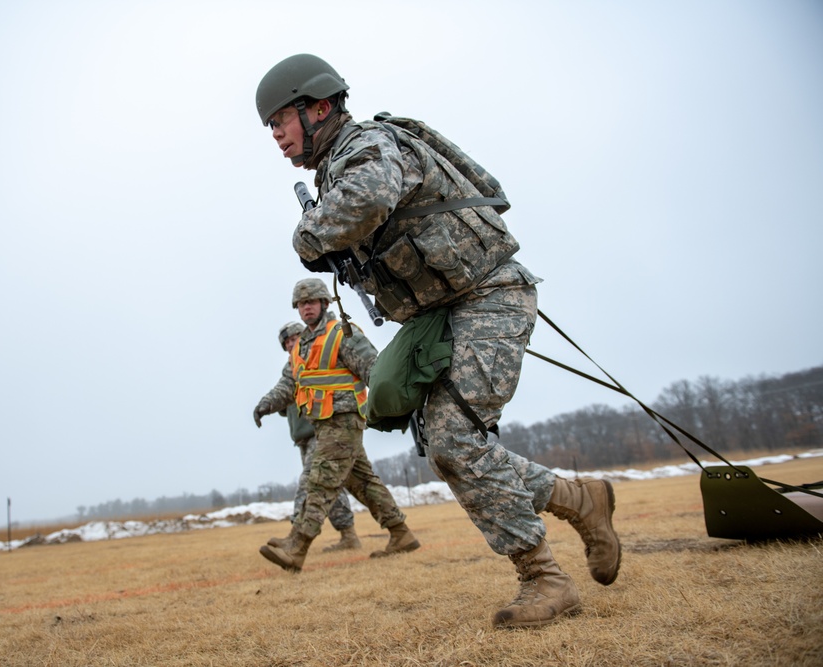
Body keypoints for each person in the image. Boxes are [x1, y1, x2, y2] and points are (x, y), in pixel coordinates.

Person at [255, 54, 621, 628]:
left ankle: (545, 579)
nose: (275, 135)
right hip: (439, 316)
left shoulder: (368, 145)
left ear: (318, 107)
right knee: (452, 448)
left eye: (280, 120)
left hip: (487, 296)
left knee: (454, 441)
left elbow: (366, 201)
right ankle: (578, 499)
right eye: (270, 127)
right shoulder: (335, 168)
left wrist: (308, 234)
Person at [253, 278, 419, 572]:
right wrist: (265, 404)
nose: (306, 308)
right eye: (302, 304)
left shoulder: (343, 333)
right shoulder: (302, 344)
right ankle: (400, 533)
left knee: (320, 481)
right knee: (362, 482)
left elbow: (374, 370)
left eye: (311, 302)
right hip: (322, 423)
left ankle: (298, 545)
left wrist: (393, 407)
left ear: (324, 303)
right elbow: (290, 383)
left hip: (343, 421)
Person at [269, 321, 362, 553]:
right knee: (340, 485)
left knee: (311, 482)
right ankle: (351, 535)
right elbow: (285, 405)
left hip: (323, 434)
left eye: (294, 338)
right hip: (305, 438)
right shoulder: (292, 370)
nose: (291, 343)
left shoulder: (311, 364)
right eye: (287, 342)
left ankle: (295, 537)